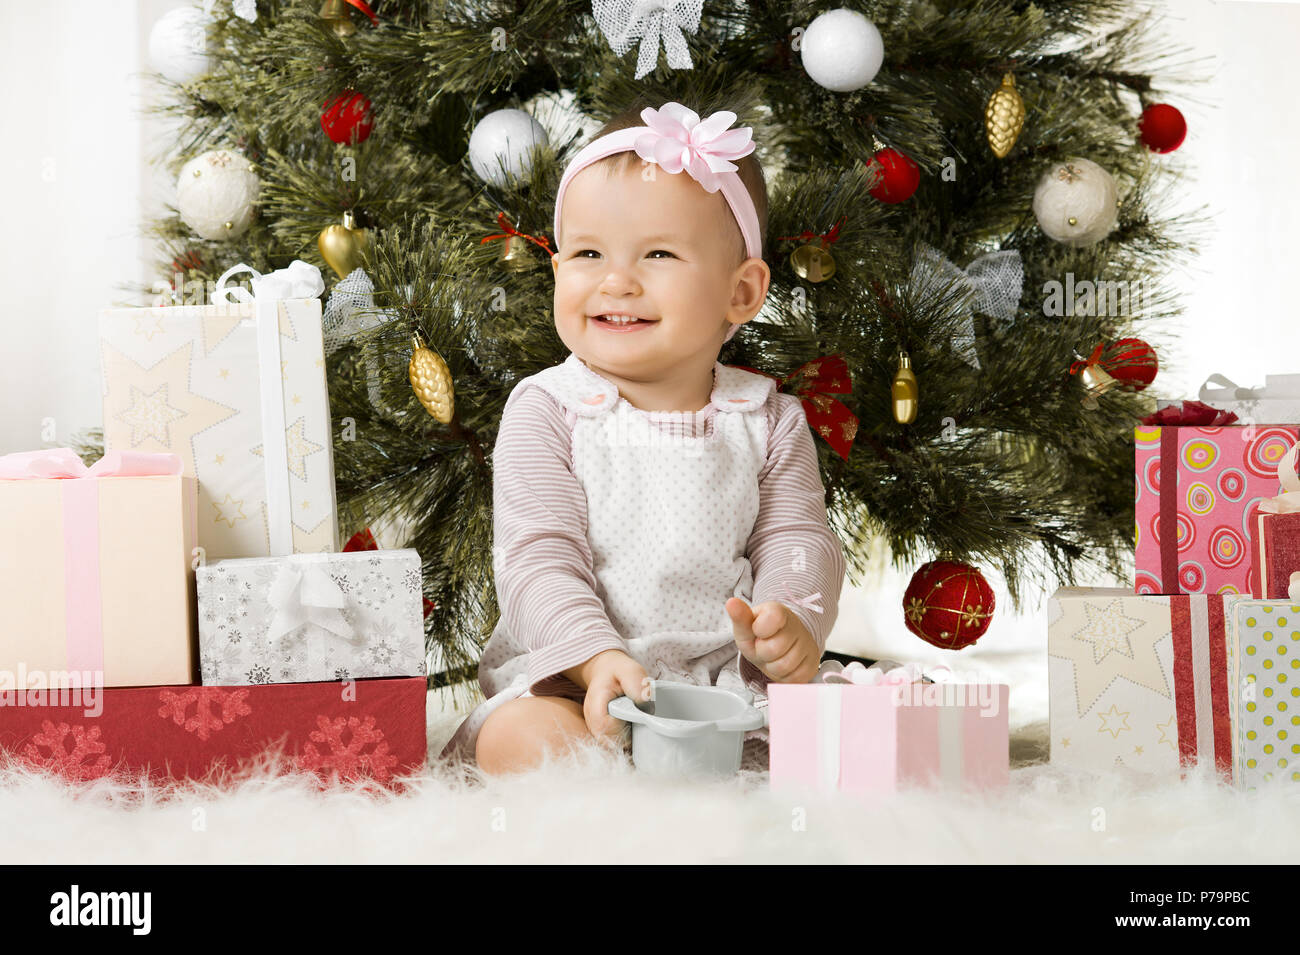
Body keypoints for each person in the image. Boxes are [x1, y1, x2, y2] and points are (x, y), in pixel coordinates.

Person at [440, 100, 846, 774]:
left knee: (835, 739)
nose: (616, 281)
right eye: (588, 253)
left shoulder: (767, 418)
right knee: (525, 740)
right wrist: (596, 656)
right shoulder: (550, 410)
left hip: (720, 687)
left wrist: (791, 618)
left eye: (658, 253)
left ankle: (716, 771)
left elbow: (798, 539)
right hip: (576, 677)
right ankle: (603, 779)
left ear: (741, 293)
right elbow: (538, 560)